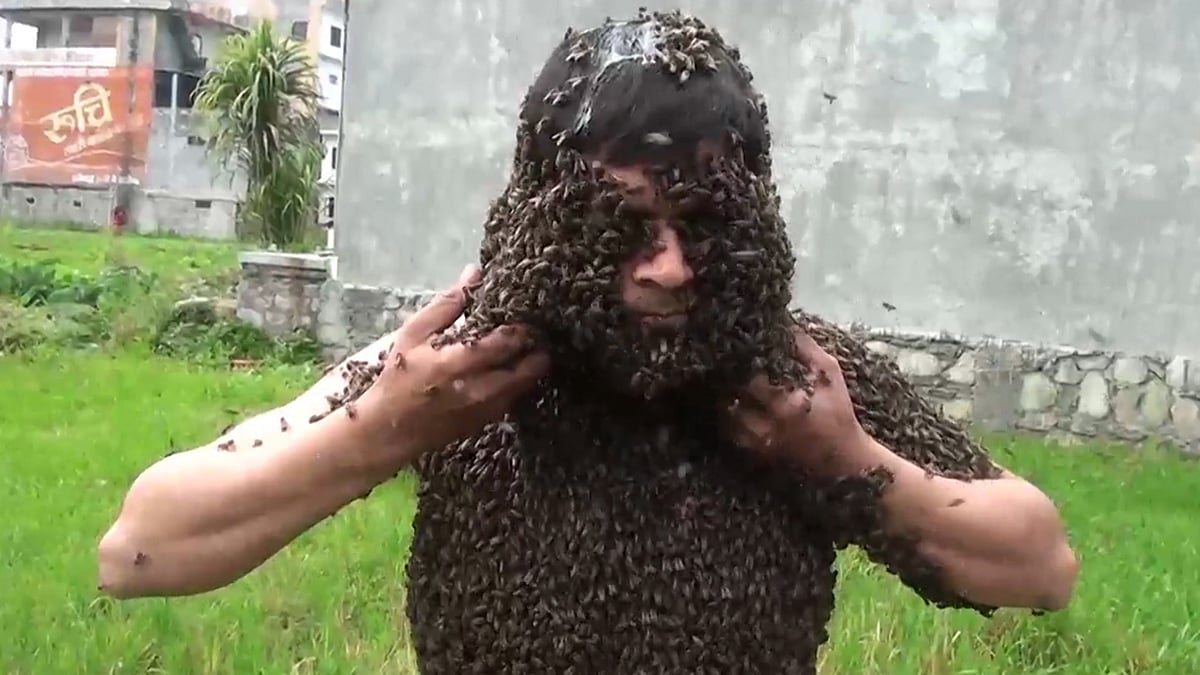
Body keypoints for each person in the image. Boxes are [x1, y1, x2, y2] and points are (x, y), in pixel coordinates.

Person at [98, 10, 1078, 673]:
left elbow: (1041, 565)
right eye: (623, 226)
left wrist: (843, 460)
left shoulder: (799, 385)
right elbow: (142, 548)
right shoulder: (455, 372)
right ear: (547, 215)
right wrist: (385, 427)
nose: (669, 269)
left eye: (702, 225)